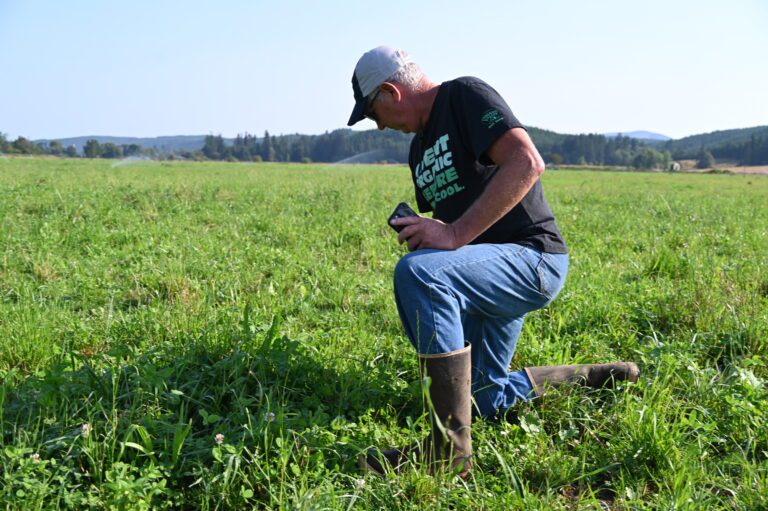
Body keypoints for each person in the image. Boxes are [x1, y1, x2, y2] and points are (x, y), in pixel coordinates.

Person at [346, 46, 639, 478]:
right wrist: (429, 232)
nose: (381, 125)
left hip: (531, 259)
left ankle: (448, 453)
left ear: (390, 92)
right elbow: (454, 219)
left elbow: (526, 161)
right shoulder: (418, 150)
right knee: (483, 398)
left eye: (375, 113)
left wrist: (452, 235)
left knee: (417, 277)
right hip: (483, 272)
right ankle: (595, 376)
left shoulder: (463, 96)